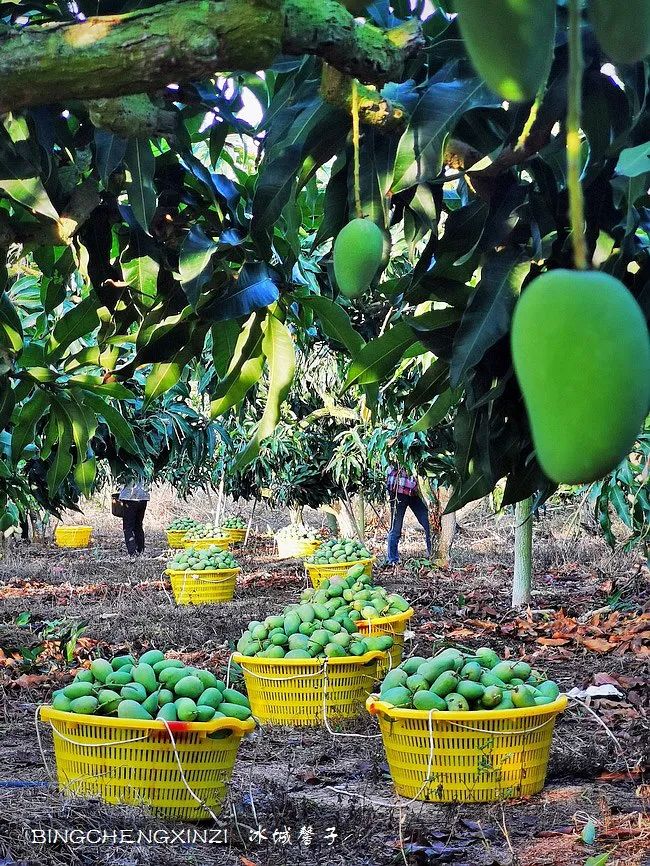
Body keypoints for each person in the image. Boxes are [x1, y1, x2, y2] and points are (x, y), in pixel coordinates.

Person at [385, 465, 432, 565]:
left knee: (429, 524)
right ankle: (392, 560)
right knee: (395, 527)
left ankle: (432, 555)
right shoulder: (395, 452)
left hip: (414, 492)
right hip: (399, 491)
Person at [119, 480, 150, 556]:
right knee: (138, 525)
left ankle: (132, 552)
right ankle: (140, 550)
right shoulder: (146, 468)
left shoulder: (127, 468)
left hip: (129, 498)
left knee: (128, 527)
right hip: (143, 498)